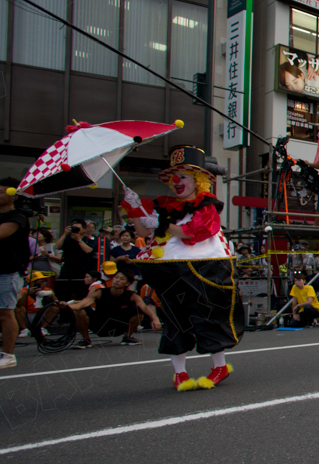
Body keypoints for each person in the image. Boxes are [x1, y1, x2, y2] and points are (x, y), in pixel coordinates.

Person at [122, 145, 243, 391]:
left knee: (206, 315)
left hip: (203, 268)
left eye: (184, 176)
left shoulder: (205, 206)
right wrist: (135, 210)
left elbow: (194, 233)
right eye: (175, 177)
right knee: (174, 318)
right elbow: (144, 233)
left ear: (197, 181)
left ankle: (219, 366)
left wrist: (162, 223)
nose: (177, 181)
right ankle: (180, 373)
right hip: (168, 268)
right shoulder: (163, 207)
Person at [64, 269, 159, 348]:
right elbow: (80, 305)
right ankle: (86, 340)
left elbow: (144, 307)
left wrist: (155, 319)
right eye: (116, 278)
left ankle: (127, 337)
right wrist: (64, 305)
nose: (117, 280)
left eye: (121, 279)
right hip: (99, 325)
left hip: (119, 326)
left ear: (127, 283)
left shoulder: (131, 295)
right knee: (81, 311)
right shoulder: (100, 292)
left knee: (139, 310)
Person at [0, 178, 30, 369]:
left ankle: (8, 354)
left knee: (5, 313)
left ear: (13, 195)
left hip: (8, 272)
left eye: (2, 191)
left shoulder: (18, 217)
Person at [54, 218, 97, 300]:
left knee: (80, 294)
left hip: (82, 271)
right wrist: (65, 234)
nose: (75, 230)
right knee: (64, 294)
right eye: (74, 227)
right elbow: (57, 246)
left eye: (78, 228)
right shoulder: (67, 239)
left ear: (84, 229)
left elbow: (89, 250)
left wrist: (78, 239)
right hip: (67, 269)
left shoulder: (88, 240)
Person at [16, 272, 56, 337]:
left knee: (55, 308)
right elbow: (18, 305)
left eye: (45, 281)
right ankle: (24, 329)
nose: (45, 283)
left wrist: (51, 296)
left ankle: (43, 328)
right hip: (28, 316)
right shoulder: (23, 291)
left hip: (42, 316)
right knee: (18, 308)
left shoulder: (48, 290)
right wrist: (26, 294)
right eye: (42, 282)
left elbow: (57, 302)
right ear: (32, 283)